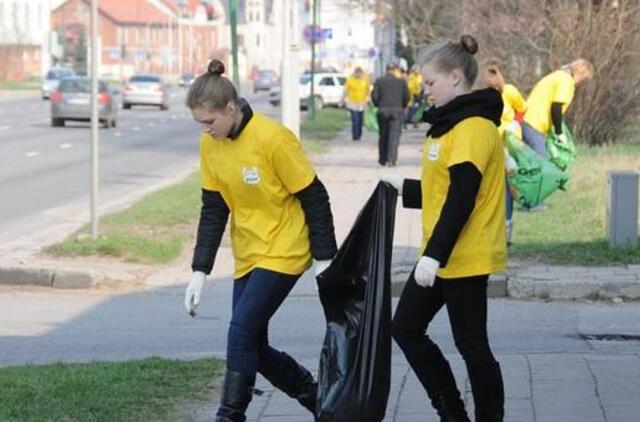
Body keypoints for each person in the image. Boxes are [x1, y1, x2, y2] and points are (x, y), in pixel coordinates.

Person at [183, 59, 337, 422]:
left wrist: (325, 258)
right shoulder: (211, 145)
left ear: (231, 108)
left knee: (239, 333)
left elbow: (314, 196)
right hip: (249, 252)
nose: (206, 130)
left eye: (210, 121)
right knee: (254, 344)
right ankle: (320, 402)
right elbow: (214, 208)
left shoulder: (272, 139)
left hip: (285, 249)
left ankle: (230, 415)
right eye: (200, 123)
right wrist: (200, 270)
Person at [382, 35, 506, 421]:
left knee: (472, 346)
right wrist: (401, 189)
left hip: (463, 254)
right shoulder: (448, 126)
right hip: (442, 254)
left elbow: (463, 198)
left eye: (430, 83)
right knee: (405, 328)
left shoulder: (471, 127)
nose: (425, 90)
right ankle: (452, 411)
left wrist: (433, 254)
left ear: (455, 77)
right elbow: (444, 189)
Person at [483, 63, 527, 245]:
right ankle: (493, 227)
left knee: (508, 187)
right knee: (493, 186)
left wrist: (514, 123)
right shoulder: (483, 96)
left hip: (510, 145)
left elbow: (523, 109)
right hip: (492, 144)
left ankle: (506, 228)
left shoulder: (510, 91)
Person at [522, 58, 594, 159]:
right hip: (534, 124)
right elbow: (556, 107)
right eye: (583, 80)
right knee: (543, 164)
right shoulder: (567, 81)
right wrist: (559, 132)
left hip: (526, 120)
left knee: (527, 162)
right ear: (581, 75)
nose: (580, 83)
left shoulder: (558, 75)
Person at [372, 63, 410, 167]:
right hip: (397, 110)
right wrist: (403, 105)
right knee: (394, 136)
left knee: (383, 135)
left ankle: (382, 159)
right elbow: (406, 96)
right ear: (395, 70)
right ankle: (391, 160)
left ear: (386, 69)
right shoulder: (401, 81)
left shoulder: (379, 81)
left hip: (383, 110)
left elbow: (375, 96)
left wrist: (378, 104)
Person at [344, 67, 371, 141]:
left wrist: (369, 98)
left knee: (360, 120)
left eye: (360, 74)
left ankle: (359, 135)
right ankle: (355, 136)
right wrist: (344, 99)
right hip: (352, 103)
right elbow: (346, 90)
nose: (358, 75)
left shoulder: (365, 80)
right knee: (355, 119)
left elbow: (368, 90)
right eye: (357, 73)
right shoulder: (350, 80)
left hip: (362, 102)